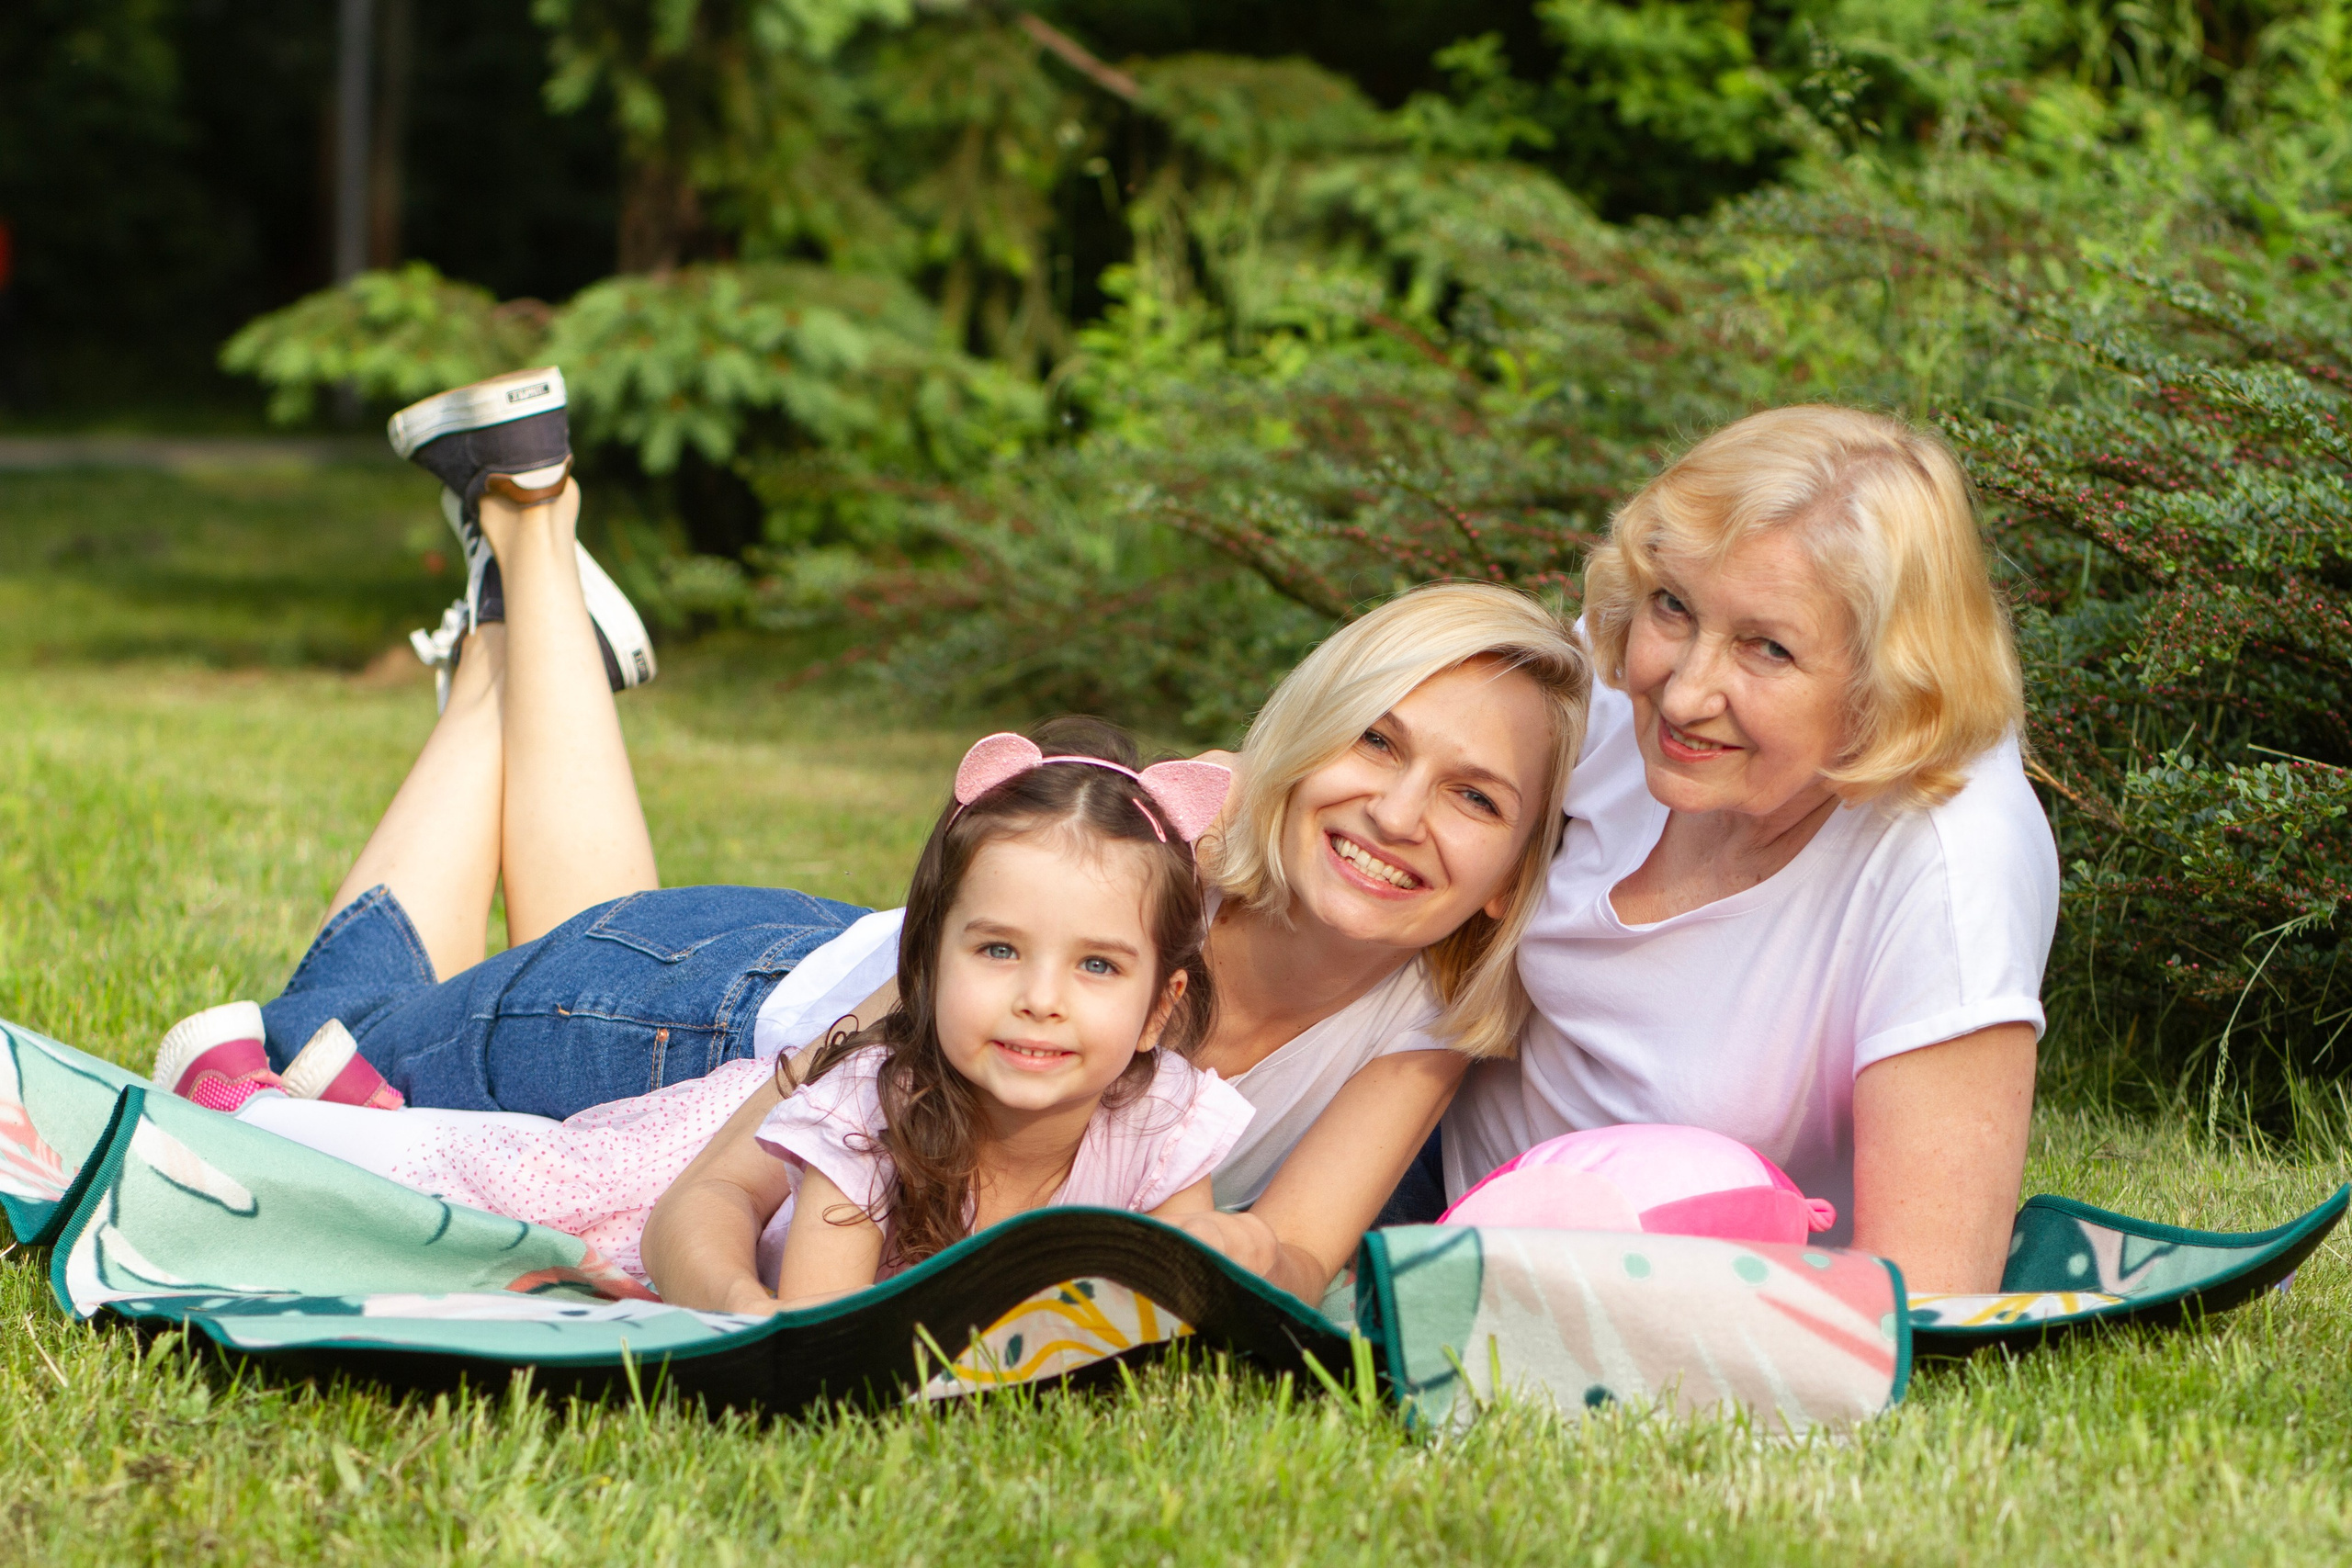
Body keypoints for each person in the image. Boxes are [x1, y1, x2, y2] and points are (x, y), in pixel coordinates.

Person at [151, 371, 1593, 1305]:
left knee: (506, 934)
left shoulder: (1432, 1010)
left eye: (1477, 797)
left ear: (1517, 861)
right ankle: (531, 527)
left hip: (786, 1009)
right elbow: (739, 1162)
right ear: (1306, 736)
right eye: (1379, 742)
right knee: (300, 1043)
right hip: (695, 1020)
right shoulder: (1138, 875)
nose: (1401, 815)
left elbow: (1291, 1250)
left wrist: (1219, 1255)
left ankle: (520, 635)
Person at [194, 721, 1260, 1309]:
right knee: (519, 1185)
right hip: (683, 1103)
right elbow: (820, 1337)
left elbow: (1181, 1306)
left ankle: (351, 1095)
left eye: (1097, 968)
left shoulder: (1166, 1118)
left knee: (551, 1207)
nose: (1040, 997)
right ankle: (260, 1118)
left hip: (732, 1047)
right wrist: (749, 1321)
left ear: (1163, 1005)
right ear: (923, 963)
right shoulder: (874, 1114)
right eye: (996, 950)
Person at [1442, 406, 2060, 1293]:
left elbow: (1930, 1294)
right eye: (1673, 607)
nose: (1686, 692)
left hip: (1637, 1293)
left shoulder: (1948, 863)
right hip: (1415, 1159)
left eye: (1767, 648)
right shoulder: (1619, 681)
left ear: (1885, 681)